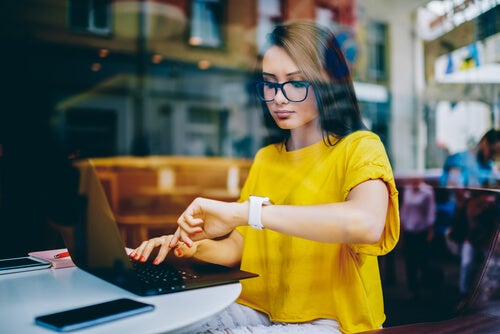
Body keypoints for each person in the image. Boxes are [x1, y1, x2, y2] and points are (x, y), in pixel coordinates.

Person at [130, 21, 400, 334]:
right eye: (270, 83)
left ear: (328, 83)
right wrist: (191, 247)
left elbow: (366, 223)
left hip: (334, 319)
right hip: (260, 307)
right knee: (160, 324)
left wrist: (244, 212)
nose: (278, 97)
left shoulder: (360, 146)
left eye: (296, 83)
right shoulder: (267, 156)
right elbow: (243, 246)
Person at [399, 177, 436, 300]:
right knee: (410, 262)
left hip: (422, 230)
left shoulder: (427, 191)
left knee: (423, 261)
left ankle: (428, 286)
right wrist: (402, 227)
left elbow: (431, 211)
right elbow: (404, 209)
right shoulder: (408, 189)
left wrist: (430, 230)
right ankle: (413, 289)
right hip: (409, 230)